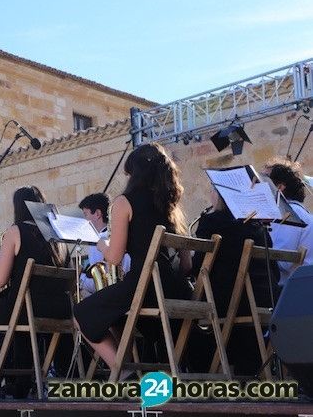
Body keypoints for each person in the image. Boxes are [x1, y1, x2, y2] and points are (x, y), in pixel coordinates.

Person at [73, 143, 192, 376]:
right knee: (112, 314)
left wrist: (100, 244)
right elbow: (187, 265)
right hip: (177, 290)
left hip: (144, 287)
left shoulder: (124, 202)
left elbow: (114, 258)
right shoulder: (171, 206)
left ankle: (124, 373)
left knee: (81, 314)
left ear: (134, 173)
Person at [0, 186, 71, 398]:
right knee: (19, 314)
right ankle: (21, 383)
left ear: (18, 207)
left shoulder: (16, 231)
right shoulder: (58, 235)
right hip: (59, 309)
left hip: (26, 308)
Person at [186, 183, 277, 375]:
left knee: (183, 311)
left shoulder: (212, 222)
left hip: (227, 300)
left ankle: (201, 370)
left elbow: (198, 267)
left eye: (211, 190)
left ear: (218, 196)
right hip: (262, 299)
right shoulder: (258, 226)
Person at [263, 157, 313, 287]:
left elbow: (284, 261)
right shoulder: (295, 211)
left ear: (280, 187)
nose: (260, 185)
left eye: (265, 180)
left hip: (293, 289)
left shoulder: (290, 213)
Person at [78, 192, 131, 298]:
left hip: (115, 295)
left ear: (97, 213)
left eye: (86, 214)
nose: (85, 220)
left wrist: (79, 277)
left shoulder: (98, 241)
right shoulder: (117, 233)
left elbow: (101, 285)